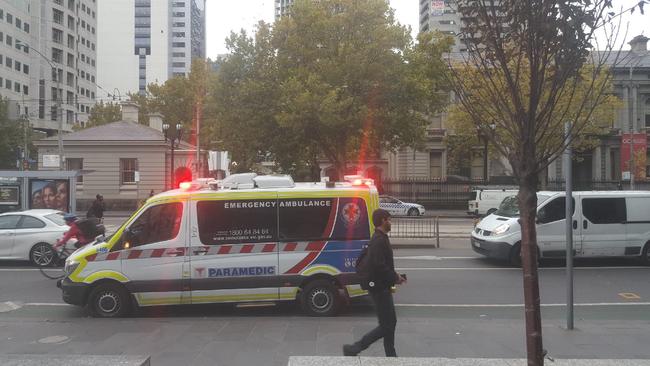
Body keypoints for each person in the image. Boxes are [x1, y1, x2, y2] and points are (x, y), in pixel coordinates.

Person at [343, 209, 406, 358]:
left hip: (382, 285)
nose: (391, 222)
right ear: (383, 221)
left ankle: (391, 355)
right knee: (387, 325)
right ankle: (355, 348)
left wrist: (396, 276)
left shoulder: (381, 237)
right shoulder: (378, 240)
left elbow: (383, 264)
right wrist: (395, 277)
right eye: (389, 220)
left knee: (391, 322)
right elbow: (380, 266)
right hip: (379, 288)